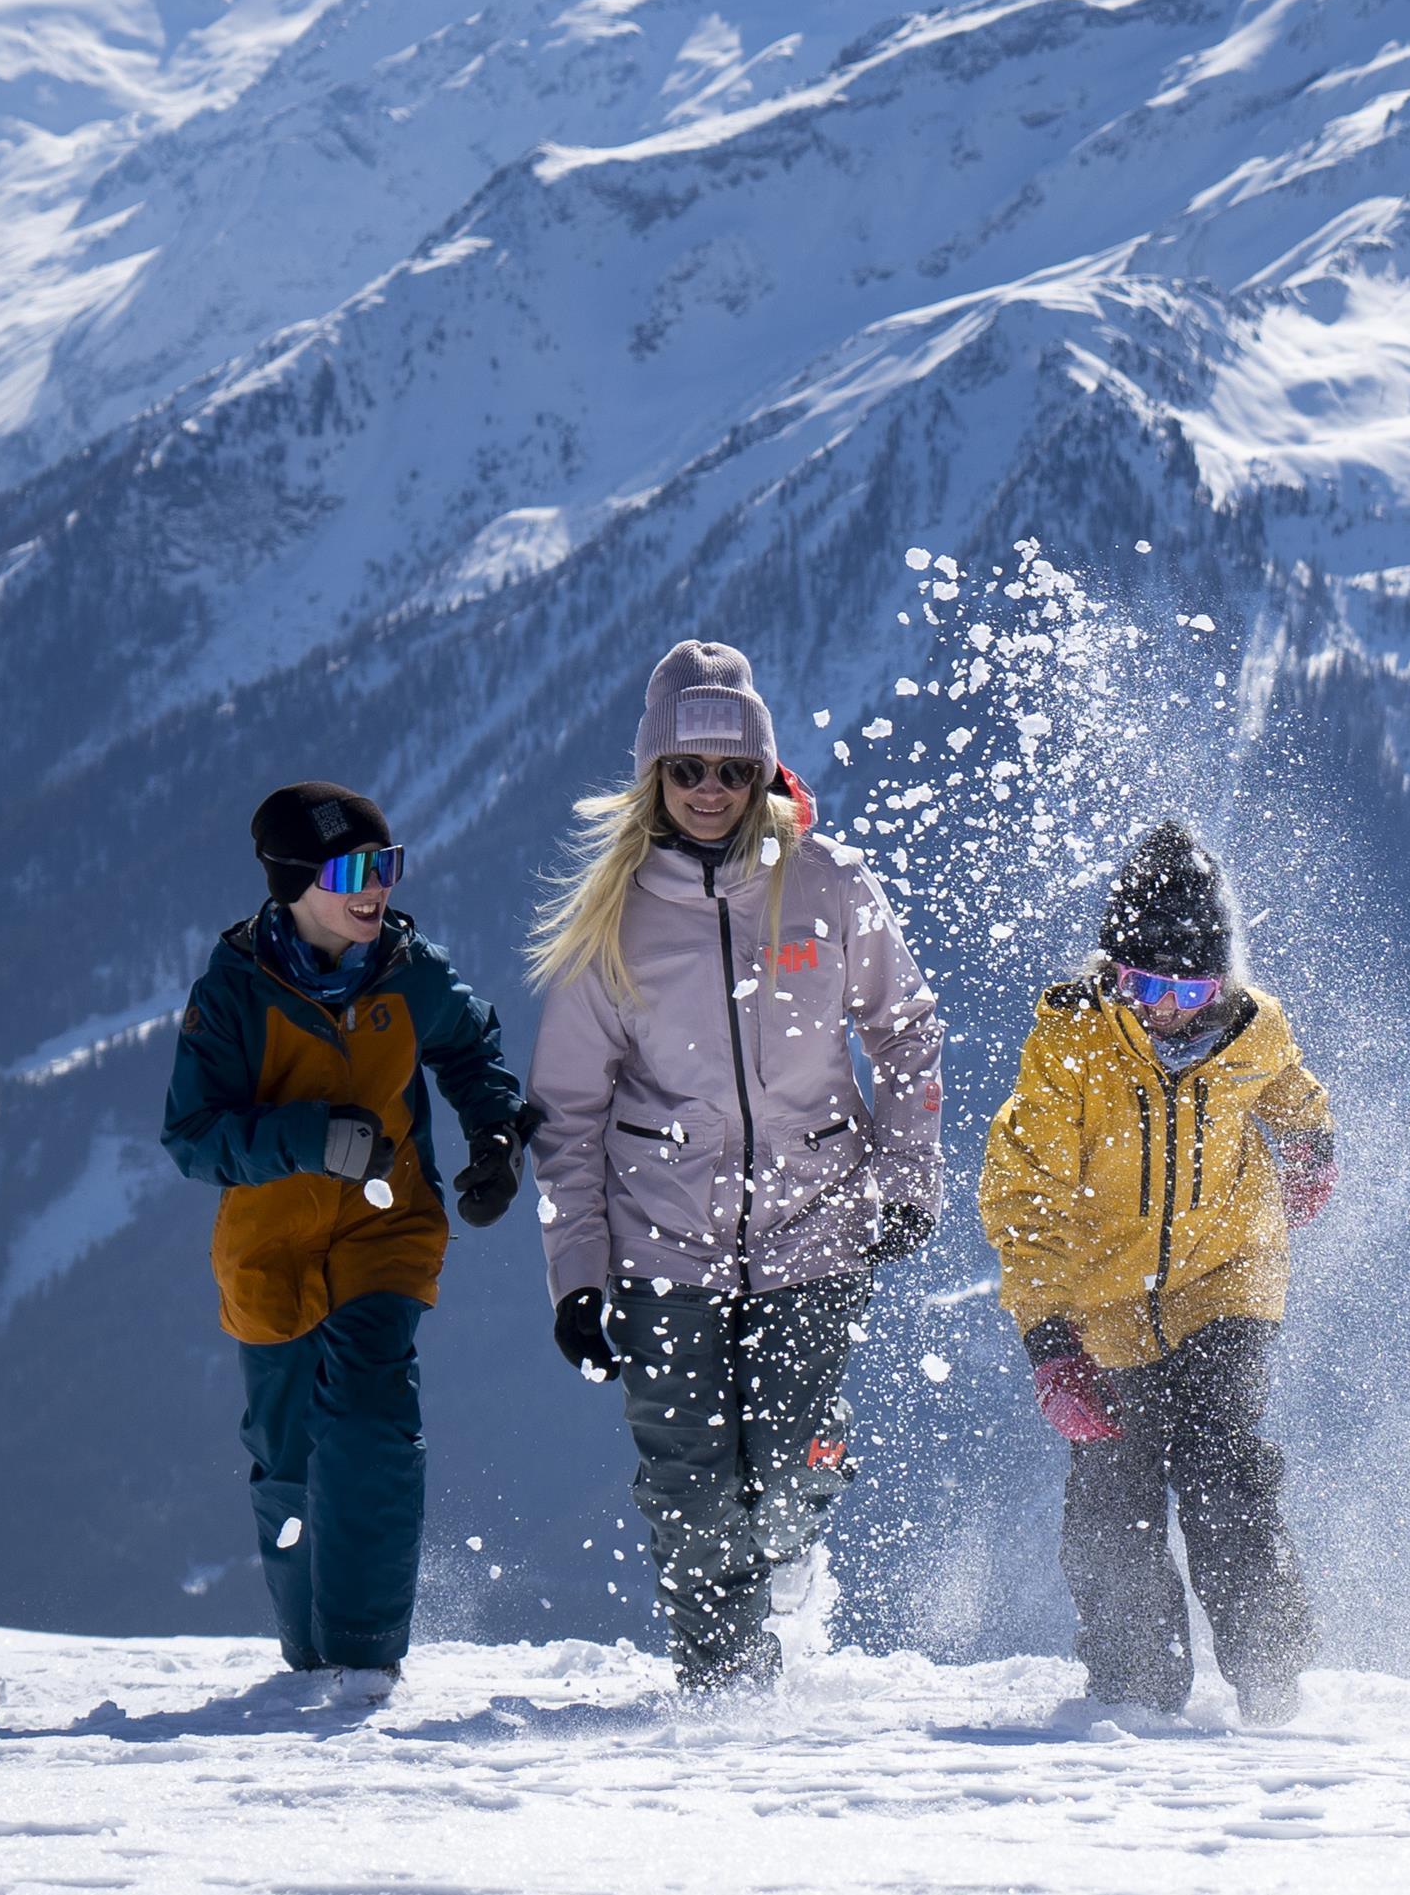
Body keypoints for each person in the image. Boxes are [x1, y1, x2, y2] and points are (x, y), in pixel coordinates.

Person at [527, 641, 945, 1694]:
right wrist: (576, 1274)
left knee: (789, 1480)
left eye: (732, 770)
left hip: (817, 1226)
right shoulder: (613, 920)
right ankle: (727, 1697)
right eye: (687, 769)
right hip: (662, 1242)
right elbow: (567, 1115)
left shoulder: (825, 885)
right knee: (691, 1489)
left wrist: (905, 1177)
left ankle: (800, 1510)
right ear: (653, 776)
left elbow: (905, 1030)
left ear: (763, 773)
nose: (710, 791)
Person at [162, 780, 535, 1692]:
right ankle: (310, 1660)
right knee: (287, 1459)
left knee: (370, 1425)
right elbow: (192, 1136)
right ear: (294, 881)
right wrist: (305, 1138)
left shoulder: (410, 968)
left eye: (388, 865)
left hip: (385, 1225)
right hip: (271, 1249)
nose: (379, 888)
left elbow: (471, 1047)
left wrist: (495, 1139)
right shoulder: (236, 992)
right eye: (356, 872)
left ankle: (366, 1662)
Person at [982, 819, 1336, 1725]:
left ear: (1223, 980)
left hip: (1229, 1272)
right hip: (1101, 1300)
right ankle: (1138, 1695)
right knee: (1115, 1498)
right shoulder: (1070, 1046)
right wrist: (1052, 1348)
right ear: (1113, 971)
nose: (1167, 1009)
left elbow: (1291, 1088)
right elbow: (1024, 1200)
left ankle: (1269, 1680)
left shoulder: (1255, 1030)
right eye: (1143, 985)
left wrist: (1308, 1145)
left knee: (1223, 1467)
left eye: (1191, 987)